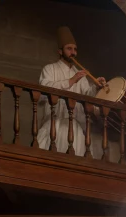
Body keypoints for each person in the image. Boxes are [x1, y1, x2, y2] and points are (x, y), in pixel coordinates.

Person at [37, 26, 108, 158]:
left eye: (75, 49)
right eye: (69, 49)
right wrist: (71, 81)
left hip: (75, 128)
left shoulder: (79, 74)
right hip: (54, 125)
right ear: (60, 51)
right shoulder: (49, 69)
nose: (73, 52)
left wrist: (96, 87)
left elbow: (87, 95)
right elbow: (44, 89)